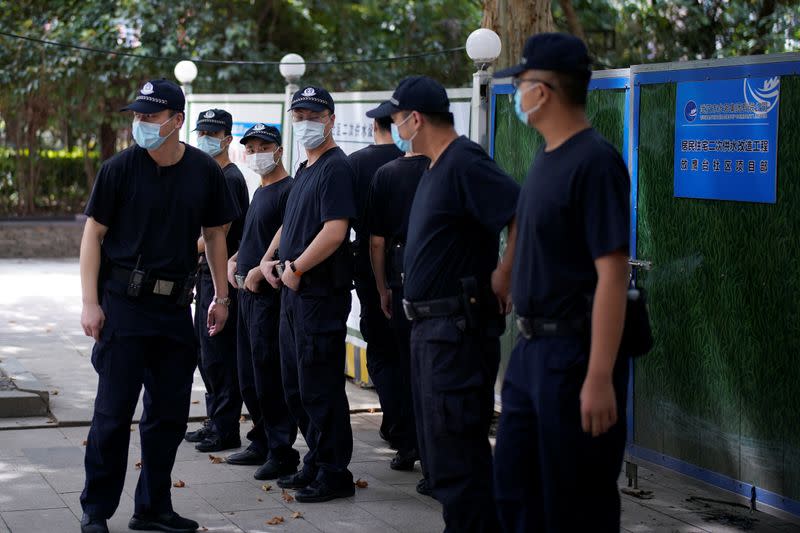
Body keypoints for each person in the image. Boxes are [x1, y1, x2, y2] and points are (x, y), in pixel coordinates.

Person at [79, 79, 238, 533]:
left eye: (150, 116)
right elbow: (93, 235)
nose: (140, 124)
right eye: (137, 116)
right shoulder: (119, 169)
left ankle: (152, 508)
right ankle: (96, 511)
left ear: (177, 120)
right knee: (112, 415)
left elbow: (215, 236)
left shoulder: (204, 172)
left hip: (174, 312)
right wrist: (90, 303)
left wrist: (222, 296)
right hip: (123, 308)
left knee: (167, 417)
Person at [491, 33, 632, 532]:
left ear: (544, 90)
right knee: (514, 491)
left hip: (574, 357)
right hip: (532, 354)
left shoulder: (595, 161)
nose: (517, 95)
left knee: (575, 502)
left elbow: (612, 273)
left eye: (521, 83)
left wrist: (599, 376)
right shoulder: (547, 157)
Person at [367, 76, 520, 532]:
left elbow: (522, 213)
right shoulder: (433, 166)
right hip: (429, 330)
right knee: (441, 453)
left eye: (396, 119)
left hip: (457, 330)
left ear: (415, 118)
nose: (394, 127)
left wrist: (504, 274)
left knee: (458, 454)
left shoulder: (464, 161)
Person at [260, 86, 356, 503]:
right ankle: (315, 461)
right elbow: (290, 223)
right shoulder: (305, 168)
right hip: (293, 295)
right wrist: (269, 258)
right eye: (297, 116)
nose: (304, 123)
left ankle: (335, 472)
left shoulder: (337, 167)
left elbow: (335, 231)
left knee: (321, 387)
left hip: (320, 296)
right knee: (295, 384)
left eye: (313, 116)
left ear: (331, 119)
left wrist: (297, 268)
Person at [223, 123, 300, 480]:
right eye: (250, 148)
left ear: (279, 150)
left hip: (268, 296)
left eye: (262, 146)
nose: (256, 154)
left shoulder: (287, 190)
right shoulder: (260, 190)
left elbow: (285, 239)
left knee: (269, 374)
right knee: (248, 375)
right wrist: (236, 258)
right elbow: (255, 236)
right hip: (244, 294)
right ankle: (260, 439)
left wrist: (257, 269)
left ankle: (282, 450)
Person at [184, 108, 249, 454]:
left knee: (219, 356)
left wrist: (175, 248)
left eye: (212, 133)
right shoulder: (213, 175)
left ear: (226, 138)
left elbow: (217, 234)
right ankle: (215, 422)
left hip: (221, 280)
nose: (205, 139)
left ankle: (225, 429)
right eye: (201, 132)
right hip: (205, 275)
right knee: (205, 354)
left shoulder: (230, 179)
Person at [364, 134, 429, 475]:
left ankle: (406, 445)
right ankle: (434, 456)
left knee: (403, 365)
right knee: (431, 371)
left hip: (400, 277)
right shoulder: (444, 168)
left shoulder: (387, 174)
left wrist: (382, 287)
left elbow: (377, 242)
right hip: (438, 281)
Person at [347, 114, 404, 449]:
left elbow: (357, 229)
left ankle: (395, 423)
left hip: (372, 272)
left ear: (374, 127)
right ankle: (410, 429)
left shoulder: (356, 163)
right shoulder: (425, 161)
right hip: (417, 274)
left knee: (381, 351)